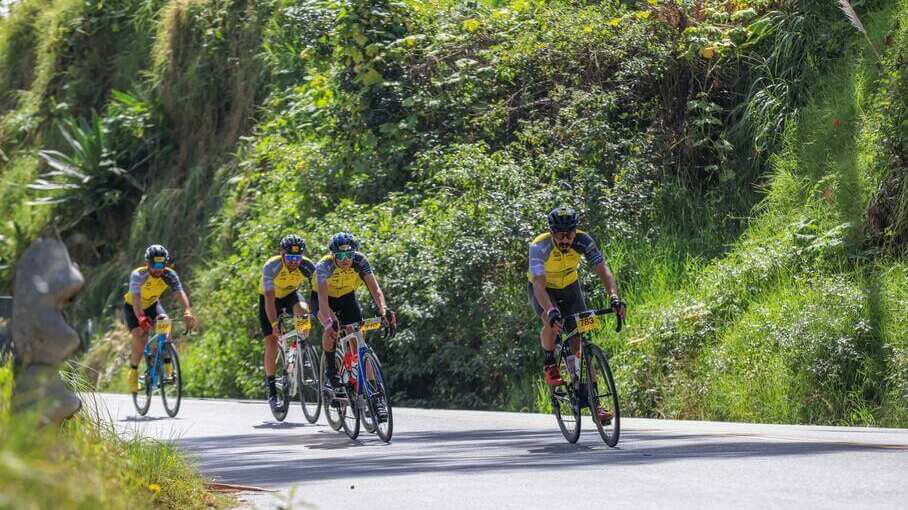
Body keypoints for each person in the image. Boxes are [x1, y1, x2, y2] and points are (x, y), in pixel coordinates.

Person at [527, 206, 626, 422]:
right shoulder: (539, 246)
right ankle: (550, 361)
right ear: (551, 233)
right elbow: (538, 285)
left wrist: (614, 297)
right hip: (544, 289)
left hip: (570, 287)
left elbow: (603, 269)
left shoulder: (583, 241)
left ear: (575, 232)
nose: (565, 240)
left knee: (579, 339)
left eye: (569, 234)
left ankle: (593, 402)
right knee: (551, 322)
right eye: (560, 235)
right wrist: (551, 310)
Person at [310, 232, 395, 395]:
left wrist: (384, 310)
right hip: (323, 299)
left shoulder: (360, 261)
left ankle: (373, 391)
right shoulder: (323, 267)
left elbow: (375, 289)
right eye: (340, 256)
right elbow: (322, 300)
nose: (346, 260)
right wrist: (329, 323)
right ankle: (331, 372)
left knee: (357, 339)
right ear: (333, 255)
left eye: (349, 255)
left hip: (346, 298)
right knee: (332, 331)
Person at [124, 245, 197, 392]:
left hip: (152, 305)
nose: (158, 269)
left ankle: (167, 367)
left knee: (165, 323)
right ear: (147, 264)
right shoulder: (138, 275)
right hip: (133, 307)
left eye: (162, 265)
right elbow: (136, 299)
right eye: (155, 265)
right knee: (141, 336)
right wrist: (141, 317)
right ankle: (133, 371)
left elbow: (179, 293)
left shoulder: (169, 275)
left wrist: (187, 311)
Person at [259, 234, 316, 412]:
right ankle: (271, 389)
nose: (294, 262)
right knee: (271, 341)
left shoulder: (307, 266)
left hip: (291, 295)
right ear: (282, 254)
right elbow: (269, 300)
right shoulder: (272, 266)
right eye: (290, 257)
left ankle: (302, 349)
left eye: (297, 258)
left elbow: (318, 290)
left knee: (304, 311)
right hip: (270, 299)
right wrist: (274, 323)